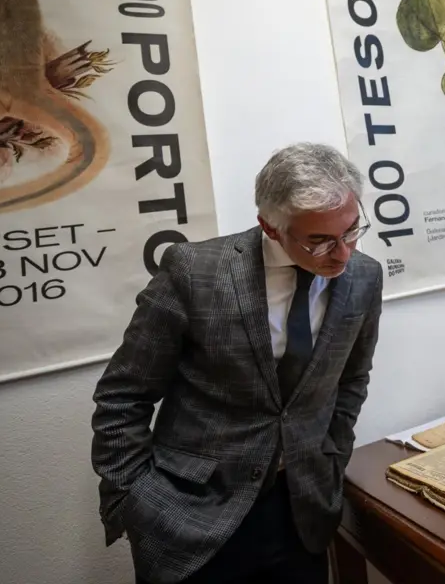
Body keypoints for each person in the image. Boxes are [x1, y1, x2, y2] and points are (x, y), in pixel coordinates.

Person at [90, 142, 383, 584]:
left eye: (352, 230)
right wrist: (135, 500)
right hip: (193, 514)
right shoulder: (195, 272)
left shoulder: (364, 276)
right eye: (320, 241)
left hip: (302, 509)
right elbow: (123, 394)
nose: (343, 253)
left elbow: (352, 378)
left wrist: (332, 456)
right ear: (270, 226)